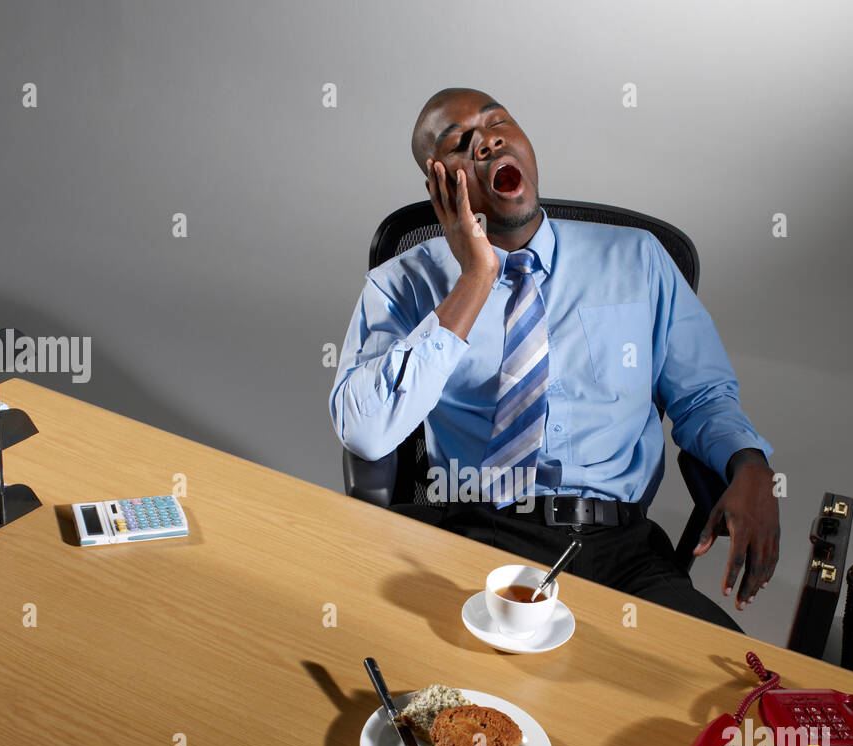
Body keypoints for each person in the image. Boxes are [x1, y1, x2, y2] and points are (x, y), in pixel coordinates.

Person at [329, 87, 779, 631]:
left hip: (620, 553)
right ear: (438, 185)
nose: (488, 141)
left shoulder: (639, 260)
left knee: (730, 688)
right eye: (461, 143)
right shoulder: (400, 284)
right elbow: (366, 432)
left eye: (499, 124)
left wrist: (750, 465)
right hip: (475, 536)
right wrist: (475, 280)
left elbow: (703, 398)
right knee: (442, 690)